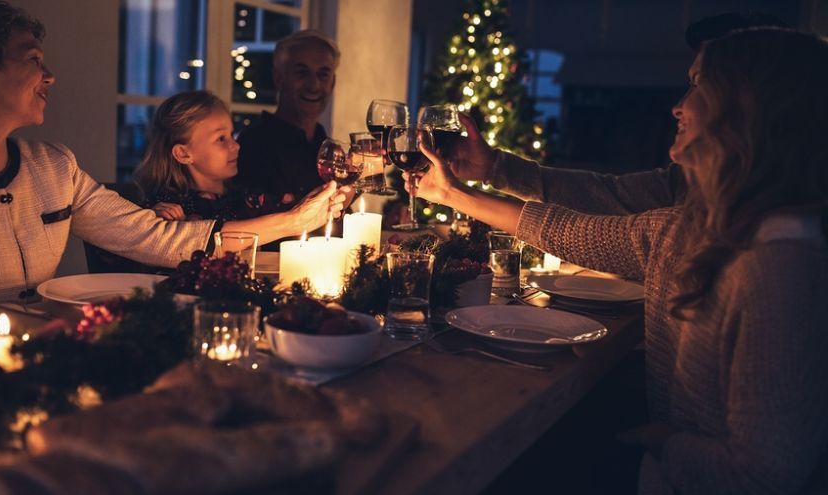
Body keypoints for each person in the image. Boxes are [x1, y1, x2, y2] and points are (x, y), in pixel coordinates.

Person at [411, 28, 828, 494]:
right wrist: (453, 193)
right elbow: (569, 229)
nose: (678, 105)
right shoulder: (690, 227)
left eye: (698, 84)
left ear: (749, 108)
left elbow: (766, 473)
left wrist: (662, 441)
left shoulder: (779, 269)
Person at [0, 0, 345, 302]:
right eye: (33, 60)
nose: (49, 76)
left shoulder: (54, 167)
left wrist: (295, 221)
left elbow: (159, 239)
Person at [443, 12, 787, 216]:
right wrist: (491, 168)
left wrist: (453, 193)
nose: (677, 106)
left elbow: (592, 237)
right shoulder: (685, 184)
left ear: (745, 101)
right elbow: (606, 195)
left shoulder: (776, 245)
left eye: (699, 83)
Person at [135, 90, 343, 235]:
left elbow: (300, 209)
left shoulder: (247, 198)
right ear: (183, 153)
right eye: (221, 139)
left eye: (231, 135)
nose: (236, 146)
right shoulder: (165, 207)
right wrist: (159, 222)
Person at [232, 29, 339, 206]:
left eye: (323, 74)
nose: (314, 85)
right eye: (302, 73)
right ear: (279, 78)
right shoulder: (253, 144)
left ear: (332, 82)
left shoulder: (327, 145)